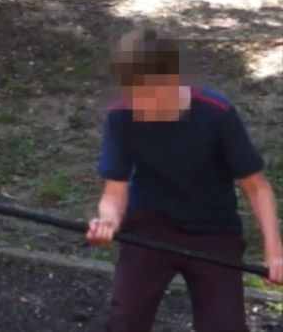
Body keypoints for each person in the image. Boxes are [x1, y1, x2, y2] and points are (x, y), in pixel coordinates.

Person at [87, 28, 282, 332]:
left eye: (148, 93)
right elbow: (114, 190)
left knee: (224, 326)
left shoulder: (216, 113)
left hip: (213, 231)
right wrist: (108, 222)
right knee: (124, 320)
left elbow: (256, 187)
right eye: (132, 92)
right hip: (150, 226)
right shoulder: (121, 117)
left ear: (171, 79)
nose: (139, 103)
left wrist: (274, 251)